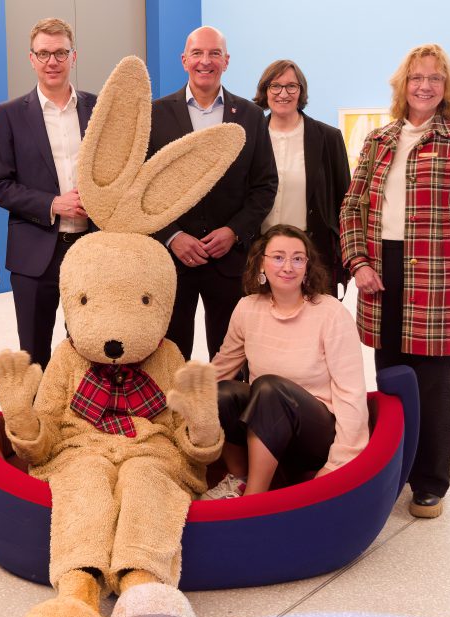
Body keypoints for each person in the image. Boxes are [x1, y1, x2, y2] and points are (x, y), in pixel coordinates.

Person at [339, 44, 450, 518]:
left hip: (439, 275)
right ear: (402, 86)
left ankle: (429, 481)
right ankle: (393, 470)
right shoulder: (378, 140)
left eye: (435, 79)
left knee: (434, 385)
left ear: (447, 89)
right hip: (382, 273)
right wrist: (357, 262)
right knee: (390, 380)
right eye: (416, 77)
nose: (424, 85)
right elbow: (351, 207)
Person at [204, 225, 369, 499]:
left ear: (307, 265)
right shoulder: (247, 308)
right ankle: (241, 478)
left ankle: (253, 499)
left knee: (269, 388)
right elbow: (221, 368)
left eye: (297, 258)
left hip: (315, 433)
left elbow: (351, 392)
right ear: (261, 263)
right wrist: (178, 400)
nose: (288, 267)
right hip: (264, 426)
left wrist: (337, 463)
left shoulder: (330, 312)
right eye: (278, 257)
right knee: (219, 392)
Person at [148, 25, 278, 361]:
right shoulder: (155, 115)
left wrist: (234, 231)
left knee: (231, 356)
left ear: (227, 60)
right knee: (170, 356)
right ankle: (174, 416)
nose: (205, 61)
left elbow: (265, 185)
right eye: (198, 53)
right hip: (172, 259)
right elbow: (142, 188)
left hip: (231, 260)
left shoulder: (250, 116)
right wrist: (172, 235)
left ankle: (226, 416)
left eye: (214, 53)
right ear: (184, 60)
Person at [0, 17, 97, 370]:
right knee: (34, 353)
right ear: (31, 59)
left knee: (88, 346)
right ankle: (37, 424)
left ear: (73, 56)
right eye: (44, 53)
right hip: (35, 253)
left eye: (60, 53)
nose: (53, 61)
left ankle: (81, 422)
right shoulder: (8, 115)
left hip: (90, 247)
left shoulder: (98, 109)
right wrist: (52, 203)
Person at [253, 59, 351, 294]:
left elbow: (345, 202)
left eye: (291, 87)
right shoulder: (251, 137)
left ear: (301, 91)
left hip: (312, 253)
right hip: (259, 253)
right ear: (265, 91)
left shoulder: (328, 138)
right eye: (275, 86)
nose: (283, 93)